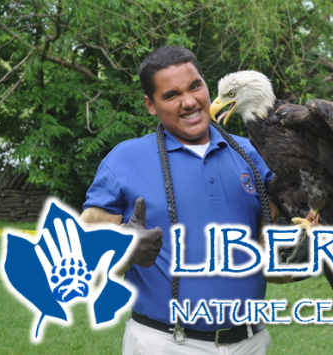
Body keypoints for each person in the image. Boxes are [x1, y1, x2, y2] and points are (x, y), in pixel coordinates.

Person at [81, 46, 274, 354]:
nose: (189, 102)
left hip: (249, 342)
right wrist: (123, 248)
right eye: (171, 95)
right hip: (165, 343)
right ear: (150, 105)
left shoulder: (255, 155)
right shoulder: (124, 161)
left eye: (195, 86)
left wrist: (301, 248)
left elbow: (280, 266)